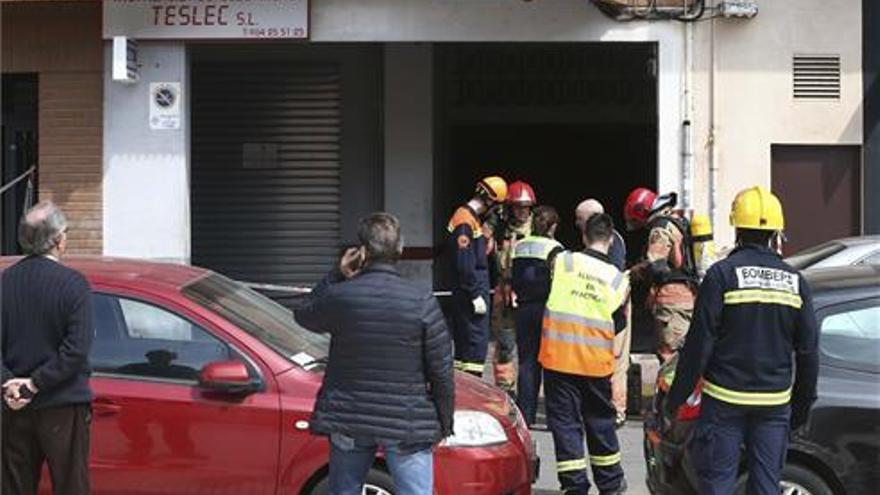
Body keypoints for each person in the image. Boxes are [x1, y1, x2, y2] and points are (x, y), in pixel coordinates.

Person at [666, 186, 819, 495]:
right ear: (777, 233)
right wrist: (801, 408)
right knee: (766, 487)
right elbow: (809, 352)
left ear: (737, 229)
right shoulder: (795, 282)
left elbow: (699, 343)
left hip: (724, 401)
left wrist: (677, 397)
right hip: (774, 405)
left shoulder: (722, 275)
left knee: (717, 484)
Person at [294, 212, 454, 495]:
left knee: (345, 490)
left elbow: (304, 314)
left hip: (350, 416)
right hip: (406, 420)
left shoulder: (342, 296)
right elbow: (440, 368)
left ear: (363, 252)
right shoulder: (421, 301)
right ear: (400, 250)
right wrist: (444, 421)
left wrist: (336, 274)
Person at [1, 201, 94, 495]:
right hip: (63, 404)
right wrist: (35, 383)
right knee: (70, 485)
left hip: (12, 406)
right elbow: (76, 350)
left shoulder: (4, 282)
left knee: (14, 486)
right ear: (57, 240)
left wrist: (9, 384)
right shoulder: (73, 284)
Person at [541, 213, 630, 495]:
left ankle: (575, 486)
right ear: (612, 240)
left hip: (559, 359)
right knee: (600, 423)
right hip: (594, 364)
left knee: (565, 426)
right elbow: (619, 324)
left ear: (584, 237)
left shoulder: (563, 262)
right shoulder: (618, 281)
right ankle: (611, 483)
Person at [623, 188, 698, 393]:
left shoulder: (661, 228)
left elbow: (656, 265)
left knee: (669, 357)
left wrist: (634, 272)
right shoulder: (677, 222)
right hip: (687, 297)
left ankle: (670, 406)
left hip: (671, 302)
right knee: (682, 355)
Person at [575, 199, 630, 428]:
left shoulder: (611, 241)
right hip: (602, 307)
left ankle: (616, 410)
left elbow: (613, 278)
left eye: (579, 219)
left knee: (616, 361)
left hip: (613, 309)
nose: (576, 223)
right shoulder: (608, 239)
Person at [446, 176, 508, 376]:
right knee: (474, 345)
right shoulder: (465, 221)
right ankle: (473, 388)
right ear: (489, 200)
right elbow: (464, 264)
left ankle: (463, 384)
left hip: (468, 291)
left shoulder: (470, 219)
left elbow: (471, 256)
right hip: (470, 295)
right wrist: (474, 294)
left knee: (465, 348)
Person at [511, 205, 563, 426]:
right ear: (552, 227)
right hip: (547, 309)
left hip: (523, 309)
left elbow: (511, 274)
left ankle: (526, 414)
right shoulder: (556, 248)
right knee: (551, 363)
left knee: (527, 362)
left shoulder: (520, 245)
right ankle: (553, 418)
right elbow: (560, 281)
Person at [489, 180, 537, 393]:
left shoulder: (538, 228)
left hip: (529, 292)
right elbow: (485, 244)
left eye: (526, 207)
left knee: (531, 345)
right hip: (504, 290)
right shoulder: (500, 228)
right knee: (504, 344)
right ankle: (505, 388)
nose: (522, 212)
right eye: (518, 207)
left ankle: (528, 391)